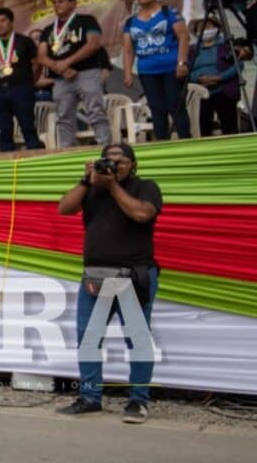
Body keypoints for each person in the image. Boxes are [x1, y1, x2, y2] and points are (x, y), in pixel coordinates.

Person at [56, 144, 161, 424]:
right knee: (87, 337)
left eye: (121, 161)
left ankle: (138, 401)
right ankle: (90, 397)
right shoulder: (92, 188)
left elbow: (142, 214)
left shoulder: (146, 187)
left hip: (132, 275)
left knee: (137, 339)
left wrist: (113, 187)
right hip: (95, 276)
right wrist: (84, 181)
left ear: (133, 165)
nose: (114, 166)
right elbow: (64, 209)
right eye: (108, 161)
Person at [39, 0, 112, 146]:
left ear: (73, 3)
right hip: (60, 78)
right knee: (63, 116)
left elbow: (93, 44)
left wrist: (67, 62)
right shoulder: (48, 29)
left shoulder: (86, 20)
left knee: (95, 111)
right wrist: (61, 68)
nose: (57, 5)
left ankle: (105, 147)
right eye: (55, 2)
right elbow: (41, 56)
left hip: (87, 72)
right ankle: (67, 151)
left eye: (61, 1)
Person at [122, 0, 191, 140]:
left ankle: (187, 141)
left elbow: (184, 37)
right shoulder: (131, 21)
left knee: (176, 105)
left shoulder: (169, 12)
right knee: (156, 108)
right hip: (147, 71)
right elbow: (128, 49)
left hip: (171, 68)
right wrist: (127, 73)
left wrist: (182, 62)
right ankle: (162, 143)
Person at [0, 8, 45, 151]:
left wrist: (30, 83)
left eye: (3, 20)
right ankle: (7, 163)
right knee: (4, 130)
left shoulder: (24, 41)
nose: (0, 24)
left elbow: (37, 64)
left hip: (21, 89)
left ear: (11, 22)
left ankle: (35, 160)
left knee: (28, 126)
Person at [189, 14, 242, 135]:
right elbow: (187, 70)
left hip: (224, 90)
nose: (205, 29)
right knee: (203, 127)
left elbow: (239, 65)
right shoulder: (193, 49)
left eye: (208, 26)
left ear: (217, 28)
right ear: (197, 32)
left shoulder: (227, 45)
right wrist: (200, 78)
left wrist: (219, 77)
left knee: (230, 127)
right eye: (201, 27)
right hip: (201, 92)